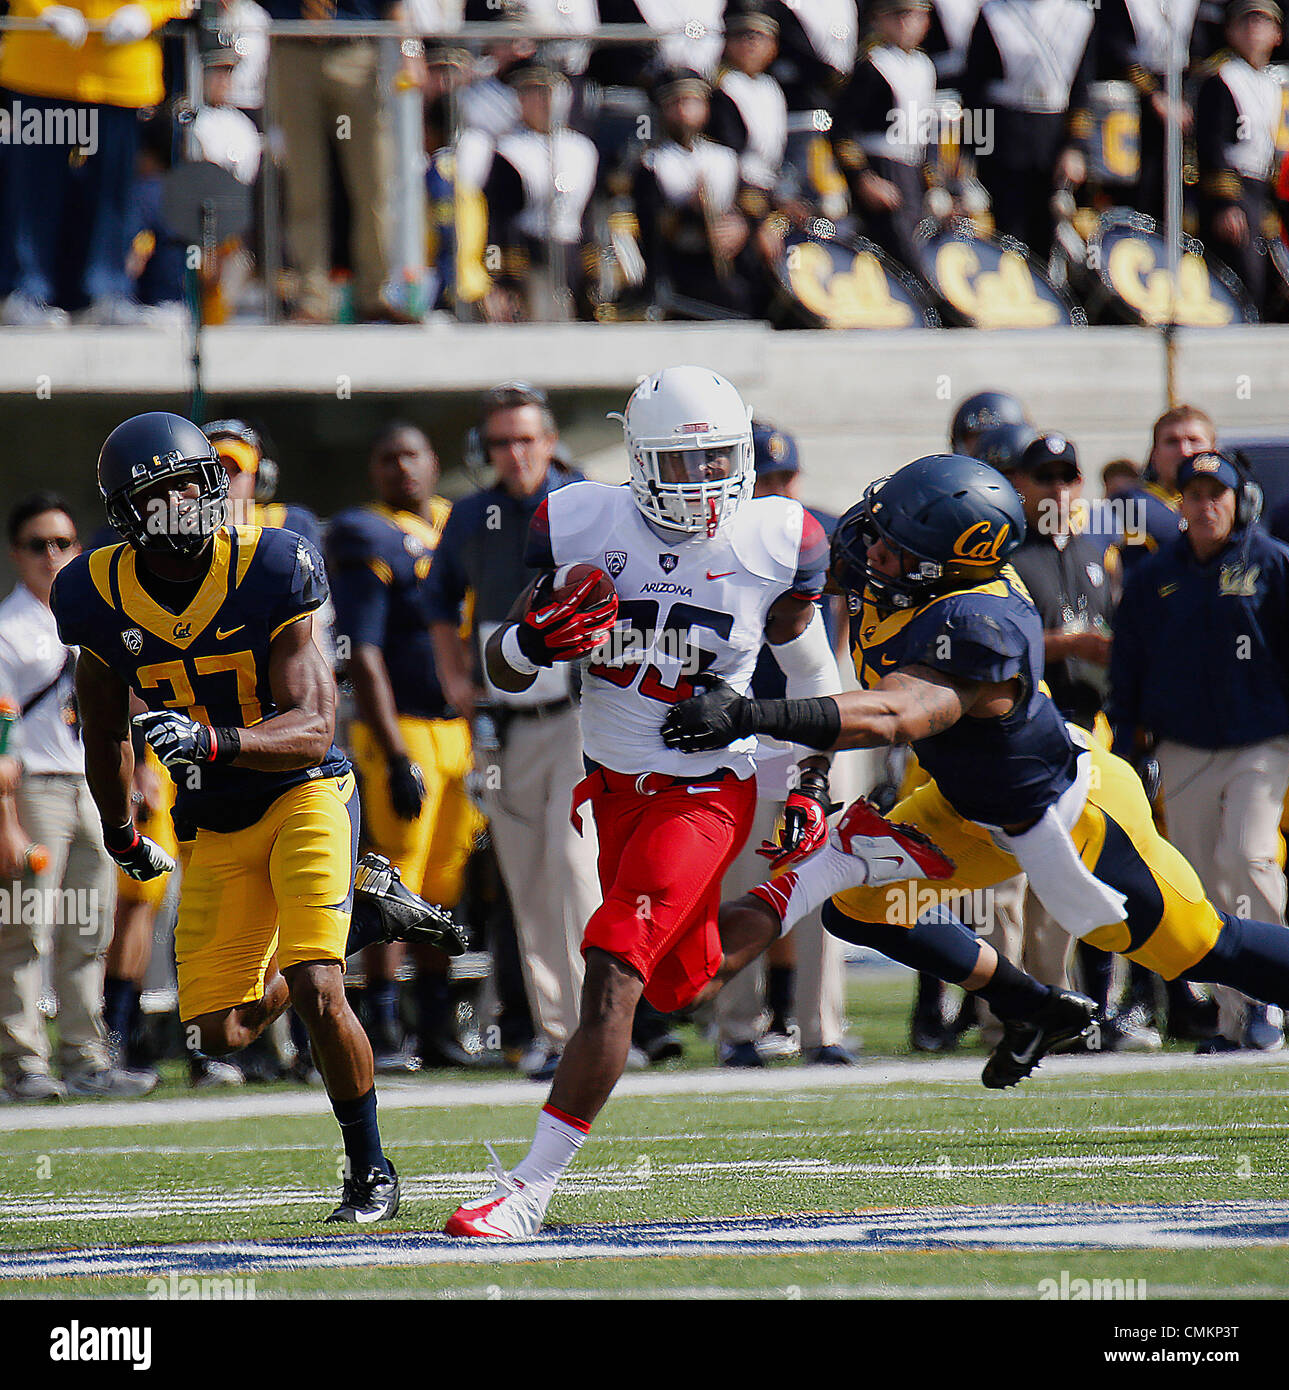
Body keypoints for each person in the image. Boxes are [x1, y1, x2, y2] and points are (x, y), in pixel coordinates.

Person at [661, 453, 1289, 1103]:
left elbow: (893, 713)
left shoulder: (980, 622)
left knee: (1206, 948)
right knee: (854, 907)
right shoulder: (890, 564)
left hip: (1071, 818)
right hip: (962, 805)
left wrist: (749, 715)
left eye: (890, 542)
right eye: (878, 526)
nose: (868, 545)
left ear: (939, 566)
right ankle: (1035, 1007)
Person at [444, 366, 839, 1238]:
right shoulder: (581, 518)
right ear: (637, 460)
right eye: (678, 465)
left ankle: (529, 1192)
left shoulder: (777, 539)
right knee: (676, 984)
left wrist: (810, 781)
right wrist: (530, 637)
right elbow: (500, 666)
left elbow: (816, 679)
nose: (701, 487)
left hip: (705, 793)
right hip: (611, 790)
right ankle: (807, 885)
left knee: (613, 969)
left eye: (715, 463)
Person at [52, 412, 463, 1219]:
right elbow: (102, 729)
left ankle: (369, 1170)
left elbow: (314, 724)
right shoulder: (92, 591)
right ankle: (368, 917)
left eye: (192, 485)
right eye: (160, 494)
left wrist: (210, 738)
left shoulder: (271, 562)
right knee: (217, 1035)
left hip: (303, 789)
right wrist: (120, 832)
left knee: (315, 985)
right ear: (127, 513)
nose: (184, 505)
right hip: (212, 822)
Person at [425, 382, 601, 1080]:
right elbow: (438, 600)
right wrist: (455, 684)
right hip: (501, 723)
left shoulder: (586, 499)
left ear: (550, 441)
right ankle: (558, 1033)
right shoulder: (472, 514)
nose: (515, 453)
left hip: (576, 715)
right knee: (525, 881)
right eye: (500, 442)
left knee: (571, 865)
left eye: (525, 438)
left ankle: (601, 1025)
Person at [1109, 450, 1289, 1052]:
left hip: (1258, 744)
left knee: (1249, 856)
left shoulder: (1271, 564)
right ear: (1179, 503)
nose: (1206, 504)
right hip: (1182, 746)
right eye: (1194, 494)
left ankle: (1272, 1000)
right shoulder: (1154, 578)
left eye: (1218, 493)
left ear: (1239, 501)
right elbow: (1127, 665)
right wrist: (1130, 739)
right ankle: (1237, 1016)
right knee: (1201, 880)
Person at [327, 422, 481, 1071]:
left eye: (410, 455)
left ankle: (438, 1024)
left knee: (444, 883)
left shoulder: (457, 521)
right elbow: (364, 651)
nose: (400, 468)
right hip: (406, 727)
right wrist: (393, 755)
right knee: (392, 882)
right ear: (374, 469)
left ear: (433, 460)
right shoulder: (368, 534)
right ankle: (384, 1025)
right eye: (387, 458)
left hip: (461, 727)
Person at [0, 493, 155, 1101]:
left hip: (91, 785)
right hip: (33, 785)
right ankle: (22, 1061)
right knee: (26, 927)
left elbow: (114, 710)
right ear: (17, 554)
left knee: (91, 924)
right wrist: (6, 822)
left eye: (64, 544)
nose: (53, 556)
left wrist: (134, 774)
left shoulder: (92, 621)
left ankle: (86, 1055)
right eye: (39, 545)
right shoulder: (8, 628)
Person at [713, 421, 853, 1067]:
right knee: (739, 880)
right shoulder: (724, 537)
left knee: (819, 872)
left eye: (782, 477)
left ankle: (820, 1027)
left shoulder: (818, 530)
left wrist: (839, 681)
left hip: (811, 725)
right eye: (763, 479)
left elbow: (846, 606)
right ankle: (738, 1026)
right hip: (742, 730)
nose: (773, 489)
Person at [0, 0, 190, 325]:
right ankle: (26, 291)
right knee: (33, 190)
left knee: (114, 192)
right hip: (43, 64)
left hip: (118, 68)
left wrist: (148, 10)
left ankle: (108, 293)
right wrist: (41, 8)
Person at [961, 0, 1095, 260]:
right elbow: (975, 90)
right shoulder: (995, 13)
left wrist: (1075, 147)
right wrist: (975, 153)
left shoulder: (1079, 15)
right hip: (1004, 138)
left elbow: (1082, 90)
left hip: (1053, 140)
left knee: (1045, 242)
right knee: (1006, 237)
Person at [829, 0, 937, 272]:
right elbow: (842, 132)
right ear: (879, 21)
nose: (905, 24)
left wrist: (935, 184)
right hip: (881, 169)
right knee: (901, 259)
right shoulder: (873, 65)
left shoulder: (924, 66)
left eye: (913, 16)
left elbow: (926, 131)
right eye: (896, 16)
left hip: (912, 173)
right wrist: (863, 177)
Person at [1195, 0, 1284, 313]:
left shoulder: (1273, 85)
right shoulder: (1222, 77)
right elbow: (1211, 145)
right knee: (1244, 278)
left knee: (1269, 280)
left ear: (1277, 34)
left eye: (1262, 23)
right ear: (1230, 31)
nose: (1253, 30)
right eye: (1245, 22)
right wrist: (1227, 203)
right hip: (1234, 187)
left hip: (1259, 190)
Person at [1112, 404, 1217, 573]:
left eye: (1194, 440)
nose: (1185, 451)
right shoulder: (1125, 505)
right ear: (1154, 455)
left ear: (1214, 451)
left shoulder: (1232, 505)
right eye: (1172, 442)